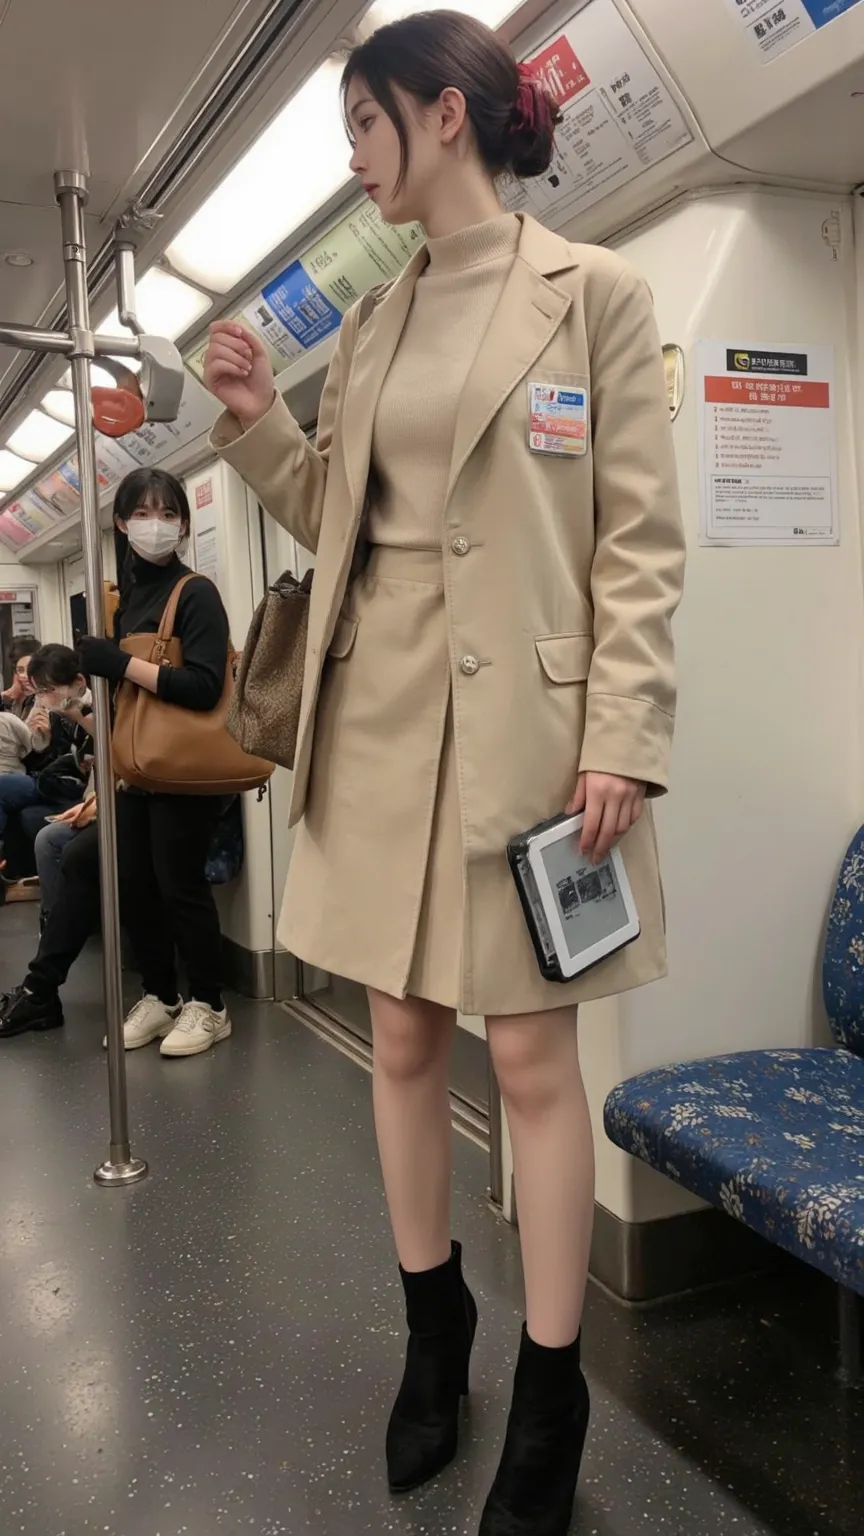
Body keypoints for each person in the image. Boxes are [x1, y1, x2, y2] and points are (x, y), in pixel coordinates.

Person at [204, 13, 685, 1535]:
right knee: (402, 1041)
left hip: (538, 740)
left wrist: (626, 731)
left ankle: (552, 1394)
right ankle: (437, 1332)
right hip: (381, 718)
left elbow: (640, 542)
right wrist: (256, 428)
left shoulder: (594, 294)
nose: (353, 163)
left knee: (533, 1064)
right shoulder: (375, 322)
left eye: (362, 125)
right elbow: (342, 517)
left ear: (445, 115)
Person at [75, 467, 233, 1058]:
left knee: (179, 885)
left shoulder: (195, 593)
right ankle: (162, 994)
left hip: (183, 767)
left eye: (170, 515)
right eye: (143, 513)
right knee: (135, 883)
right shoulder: (125, 595)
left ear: (185, 526)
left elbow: (203, 684)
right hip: (134, 764)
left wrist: (119, 664)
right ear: (121, 522)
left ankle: (210, 1005)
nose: (157, 526)